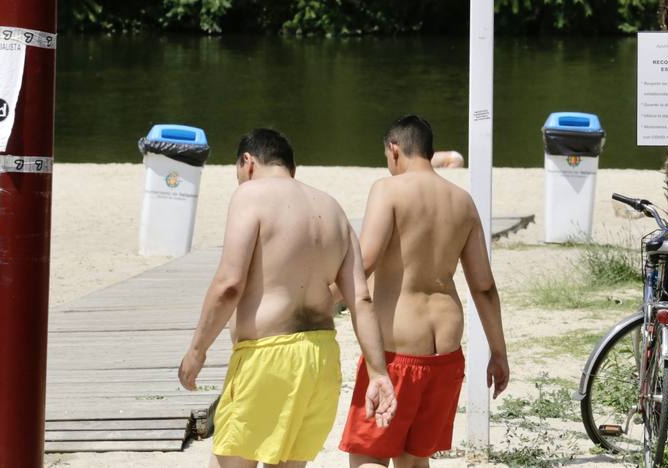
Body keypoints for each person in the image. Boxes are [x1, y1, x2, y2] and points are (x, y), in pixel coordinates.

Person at [179, 128, 397, 467]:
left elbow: (230, 284)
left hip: (267, 356)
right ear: (291, 167)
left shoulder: (251, 195)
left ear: (247, 162)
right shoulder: (333, 209)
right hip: (321, 359)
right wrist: (379, 372)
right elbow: (361, 301)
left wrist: (197, 349)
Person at [340, 115, 509, 468]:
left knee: (370, 452)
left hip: (396, 351)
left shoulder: (388, 190)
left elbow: (365, 260)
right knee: (415, 458)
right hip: (445, 354)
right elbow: (484, 286)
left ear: (395, 150)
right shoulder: (462, 201)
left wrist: (321, 297)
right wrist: (498, 351)